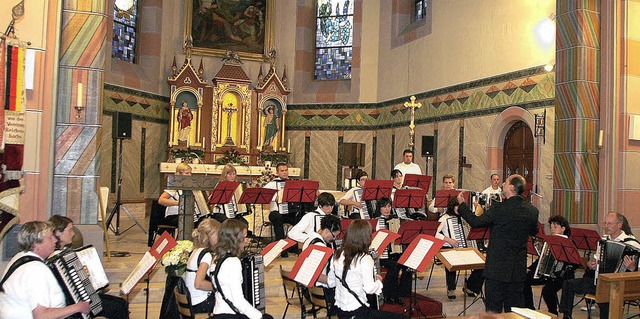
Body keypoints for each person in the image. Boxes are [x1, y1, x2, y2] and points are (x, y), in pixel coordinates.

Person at [456, 174, 539, 313]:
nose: (503, 184)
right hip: (517, 270)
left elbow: (476, 223)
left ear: (512, 187)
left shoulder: (498, 208)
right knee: (514, 311)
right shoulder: (532, 211)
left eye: (506, 182)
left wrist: (462, 205)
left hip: (497, 268)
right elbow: (534, 231)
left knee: (493, 310)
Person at [0, 221, 91, 318]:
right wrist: (78, 307)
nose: (55, 240)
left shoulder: (19, 257)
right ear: (36, 244)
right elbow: (41, 316)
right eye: (50, 238)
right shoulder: (36, 269)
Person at [558, 212, 640, 319]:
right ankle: (567, 316)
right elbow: (596, 261)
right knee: (568, 284)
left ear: (619, 225)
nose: (606, 226)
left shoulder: (633, 244)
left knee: (605, 300)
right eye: (605, 223)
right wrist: (590, 264)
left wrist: (632, 267)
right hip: (600, 282)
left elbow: (637, 270)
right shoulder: (603, 241)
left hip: (620, 286)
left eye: (609, 223)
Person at [48, 215, 130, 319]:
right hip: (72, 301)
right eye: (69, 230)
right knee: (117, 307)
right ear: (58, 233)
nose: (73, 234)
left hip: (84, 297)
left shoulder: (67, 253)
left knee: (121, 303)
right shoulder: (55, 258)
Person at [327, 220, 406, 319]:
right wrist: (378, 280)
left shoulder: (337, 254)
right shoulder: (365, 259)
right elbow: (369, 289)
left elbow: (331, 283)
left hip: (340, 310)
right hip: (357, 311)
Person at [209, 219, 273, 319]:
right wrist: (259, 316)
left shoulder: (217, 257)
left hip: (218, 312)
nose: (246, 240)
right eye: (244, 236)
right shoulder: (232, 262)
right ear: (236, 239)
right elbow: (238, 301)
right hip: (230, 315)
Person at [522, 215, 574, 315]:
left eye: (555, 227)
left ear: (563, 229)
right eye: (551, 227)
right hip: (546, 274)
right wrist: (530, 269)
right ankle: (530, 309)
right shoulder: (549, 241)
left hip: (561, 276)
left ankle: (553, 313)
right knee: (524, 279)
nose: (552, 229)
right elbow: (541, 259)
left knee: (547, 290)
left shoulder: (569, 243)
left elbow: (574, 263)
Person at [435, 197, 484, 300]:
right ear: (452, 207)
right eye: (457, 206)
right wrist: (448, 239)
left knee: (483, 263)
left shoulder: (464, 217)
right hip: (449, 246)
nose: (459, 208)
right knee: (451, 259)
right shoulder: (444, 218)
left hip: (465, 248)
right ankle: (451, 288)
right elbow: (434, 233)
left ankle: (470, 286)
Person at [375, 197, 412, 304]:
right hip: (383, 254)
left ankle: (402, 293)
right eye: (384, 207)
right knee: (394, 265)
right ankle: (387, 294)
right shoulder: (378, 221)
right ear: (379, 208)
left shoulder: (396, 219)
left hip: (396, 252)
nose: (387, 209)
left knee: (407, 264)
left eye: (389, 206)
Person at [183, 218, 220, 314]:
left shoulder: (195, 251)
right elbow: (198, 284)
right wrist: (218, 286)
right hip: (201, 303)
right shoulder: (206, 255)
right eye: (218, 234)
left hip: (192, 302)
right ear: (210, 235)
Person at [265, 162, 298, 257]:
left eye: (286, 170)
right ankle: (282, 249)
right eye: (282, 171)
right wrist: (274, 197)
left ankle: (295, 246)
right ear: (277, 172)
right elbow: (263, 195)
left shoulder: (292, 183)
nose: (284, 173)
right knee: (277, 217)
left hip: (288, 212)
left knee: (300, 218)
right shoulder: (272, 184)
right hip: (275, 212)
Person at [158, 163, 201, 227]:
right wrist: (178, 203)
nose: (189, 175)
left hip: (189, 215)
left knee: (203, 222)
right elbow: (161, 200)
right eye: (187, 173)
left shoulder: (191, 186)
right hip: (174, 215)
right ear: (179, 174)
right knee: (187, 221)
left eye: (190, 173)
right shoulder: (175, 186)